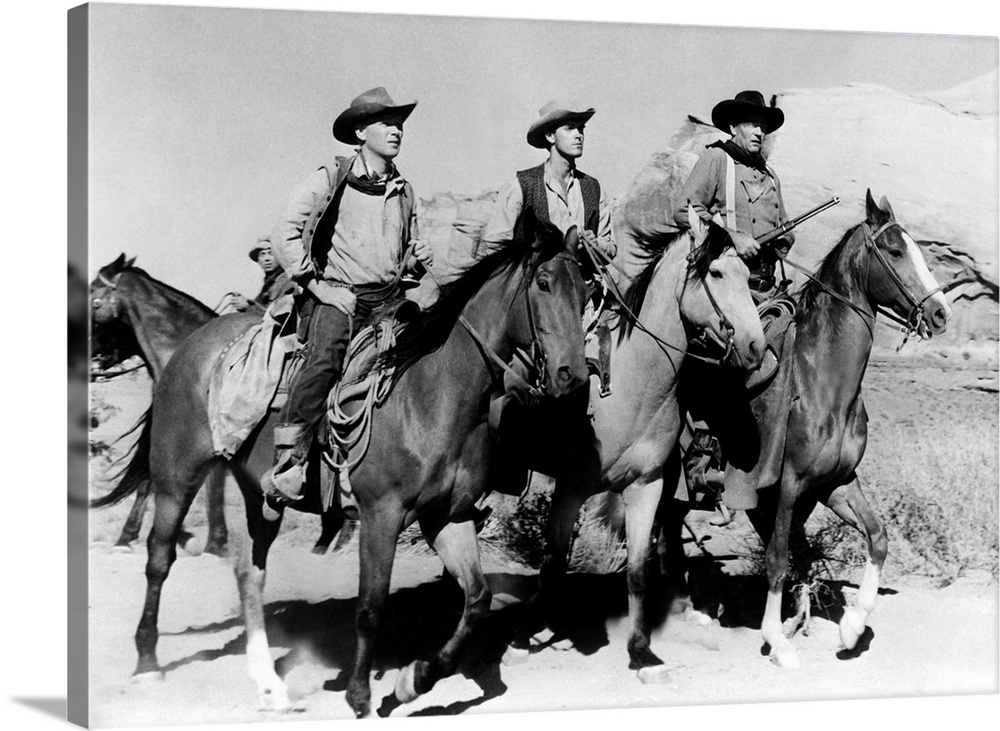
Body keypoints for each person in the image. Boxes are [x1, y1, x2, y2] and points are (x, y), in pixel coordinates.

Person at [262, 87, 432, 512]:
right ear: (360, 131)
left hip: (390, 302)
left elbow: (402, 259)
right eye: (386, 123)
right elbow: (285, 231)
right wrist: (315, 286)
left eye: (400, 124)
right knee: (325, 359)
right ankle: (290, 461)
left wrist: (416, 260)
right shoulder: (329, 178)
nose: (396, 131)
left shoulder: (404, 191)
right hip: (338, 296)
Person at [674, 89, 793, 388]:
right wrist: (732, 237)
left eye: (763, 126)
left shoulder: (770, 175)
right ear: (732, 127)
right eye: (751, 124)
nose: (759, 131)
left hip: (769, 288)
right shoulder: (717, 159)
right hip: (729, 290)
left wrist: (784, 239)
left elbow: (785, 225)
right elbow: (684, 209)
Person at [480, 100, 616, 262]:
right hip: (535, 283)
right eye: (570, 128)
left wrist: (595, 244)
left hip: (583, 284)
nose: (578, 134)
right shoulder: (520, 187)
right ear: (550, 136)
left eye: (581, 129)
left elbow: (611, 248)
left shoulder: (594, 189)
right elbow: (494, 248)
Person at [229, 236, 297, 313]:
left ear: (279, 256)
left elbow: (278, 316)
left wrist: (248, 307)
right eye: (262, 254)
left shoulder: (288, 281)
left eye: (271, 253)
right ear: (258, 260)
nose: (267, 259)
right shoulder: (266, 288)